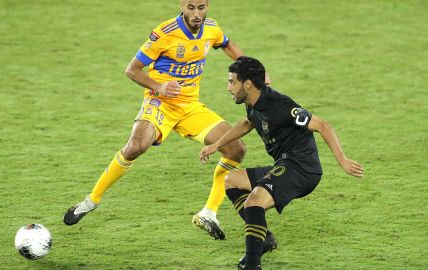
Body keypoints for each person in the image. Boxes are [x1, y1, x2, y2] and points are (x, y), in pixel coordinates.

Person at [63, 0, 263, 241]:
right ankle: (91, 200)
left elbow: (227, 44)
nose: (197, 13)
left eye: (201, 7)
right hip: (160, 103)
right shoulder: (165, 33)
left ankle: (208, 213)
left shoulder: (211, 28)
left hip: (189, 107)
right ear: (182, 5)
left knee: (235, 148)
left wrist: (255, 73)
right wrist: (159, 87)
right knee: (136, 146)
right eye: (191, 7)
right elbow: (132, 69)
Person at [199, 56, 364, 270]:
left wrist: (342, 160)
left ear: (247, 84)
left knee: (253, 201)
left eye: (232, 82)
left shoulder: (281, 106)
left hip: (302, 169)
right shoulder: (251, 101)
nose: (228, 87)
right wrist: (216, 145)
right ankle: (264, 237)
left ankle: (252, 264)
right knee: (231, 180)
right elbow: (248, 123)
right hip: (285, 165)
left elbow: (322, 125)